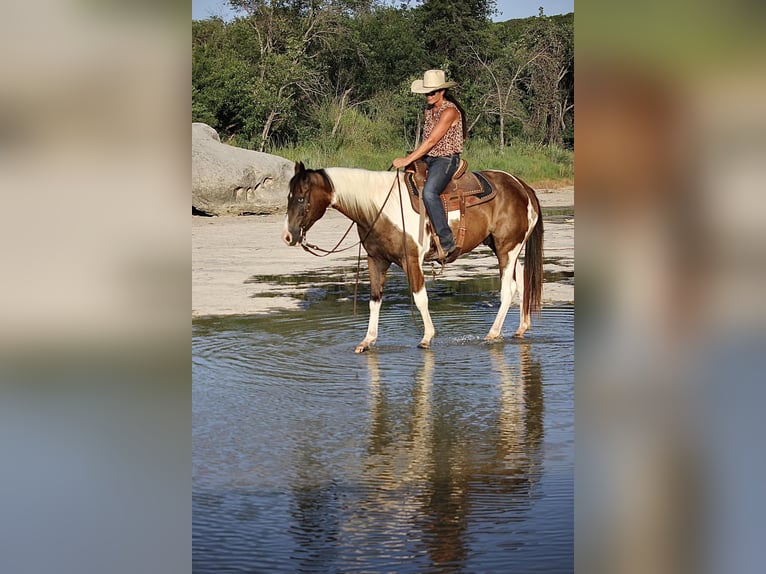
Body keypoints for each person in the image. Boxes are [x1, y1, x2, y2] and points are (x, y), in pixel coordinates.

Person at [393, 69, 468, 263]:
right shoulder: (429, 110)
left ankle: (446, 240)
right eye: (426, 92)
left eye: (432, 92)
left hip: (446, 159)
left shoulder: (450, 111)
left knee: (429, 193)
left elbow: (433, 140)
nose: (429, 96)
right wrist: (412, 158)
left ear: (442, 92)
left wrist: (407, 159)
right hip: (429, 157)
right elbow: (427, 142)